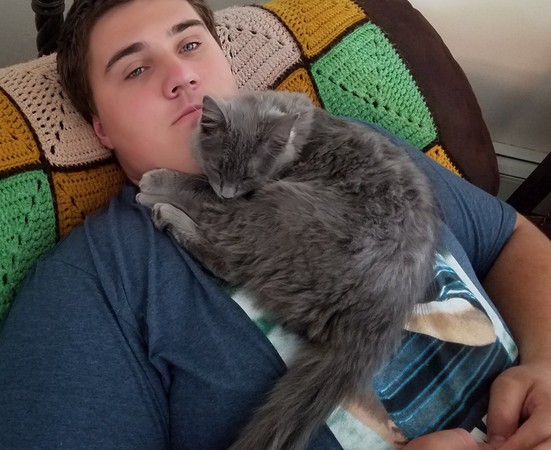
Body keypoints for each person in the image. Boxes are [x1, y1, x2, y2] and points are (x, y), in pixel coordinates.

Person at [0, 0, 550, 448]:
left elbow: (509, 238)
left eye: (189, 44)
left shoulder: (351, 142)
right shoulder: (94, 285)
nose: (182, 76)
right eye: (135, 69)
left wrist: (546, 363)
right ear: (100, 127)